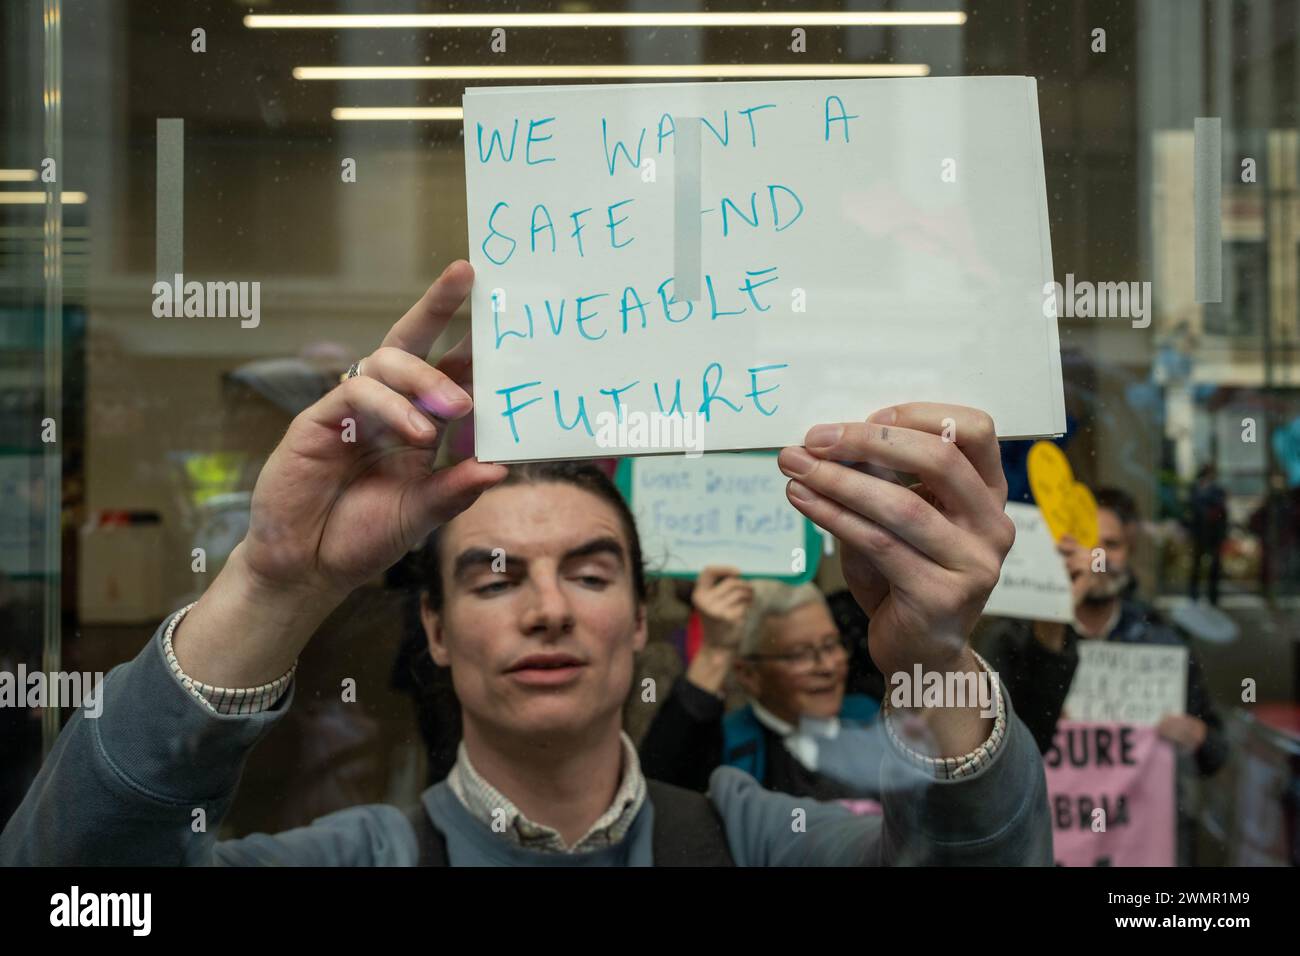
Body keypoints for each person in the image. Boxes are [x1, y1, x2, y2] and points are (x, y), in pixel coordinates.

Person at [1, 261, 1048, 867]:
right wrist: (276, 581)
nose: (547, 606)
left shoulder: (762, 841)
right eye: (496, 575)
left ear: (641, 620)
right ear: (435, 629)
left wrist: (929, 659)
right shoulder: (357, 856)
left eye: (591, 572)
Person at [978, 487, 1229, 863]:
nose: (1097, 556)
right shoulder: (1011, 638)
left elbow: (1216, 752)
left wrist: (1195, 736)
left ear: (1129, 554)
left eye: (1111, 544)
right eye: (1083, 542)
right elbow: (983, 753)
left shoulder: (1163, 644)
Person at [640, 571, 887, 801]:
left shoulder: (876, 718)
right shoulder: (728, 750)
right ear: (749, 674)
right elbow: (661, 788)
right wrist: (714, 653)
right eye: (800, 655)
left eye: (831, 644)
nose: (827, 667)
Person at [1186, 464, 1228, 605]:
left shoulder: (1215, 490)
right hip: (1201, 532)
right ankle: (1195, 593)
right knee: (1198, 564)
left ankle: (1212, 595)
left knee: (1213, 565)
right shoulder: (1197, 489)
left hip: (1213, 532)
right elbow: (1193, 507)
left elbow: (1221, 509)